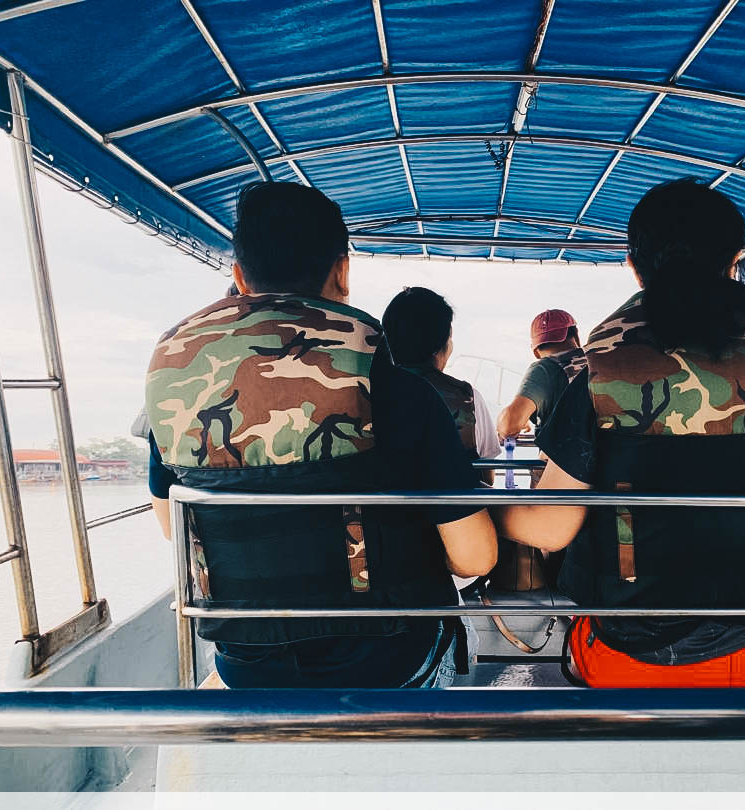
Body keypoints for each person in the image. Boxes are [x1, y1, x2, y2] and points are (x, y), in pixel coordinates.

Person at [494, 178, 745, 688]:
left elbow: (552, 528)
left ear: (633, 264)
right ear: (735, 258)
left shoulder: (602, 370)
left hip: (638, 659)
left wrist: (482, 510)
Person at [144, 181, 496, 689]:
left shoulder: (180, 398)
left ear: (240, 277)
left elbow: (174, 529)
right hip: (389, 667)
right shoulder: (400, 391)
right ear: (342, 271)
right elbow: (476, 557)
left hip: (247, 669)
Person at [381, 287, 501, 473]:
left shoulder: (368, 391)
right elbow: (486, 474)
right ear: (442, 342)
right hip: (454, 500)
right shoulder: (468, 398)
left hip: (379, 501)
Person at [496, 309, 586, 438]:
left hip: (572, 457)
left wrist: (519, 416)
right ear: (576, 335)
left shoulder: (545, 369)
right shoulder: (599, 360)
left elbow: (509, 426)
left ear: (535, 351)